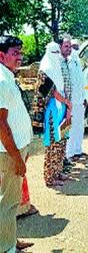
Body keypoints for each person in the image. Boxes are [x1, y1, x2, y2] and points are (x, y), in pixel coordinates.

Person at [0, 36, 34, 252]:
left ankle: (10, 239)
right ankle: (6, 247)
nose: (20, 57)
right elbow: (1, 125)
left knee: (11, 201)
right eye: (15, 53)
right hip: (10, 153)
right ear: (1, 55)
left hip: (17, 149)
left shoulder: (7, 76)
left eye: (21, 53)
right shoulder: (2, 81)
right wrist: (17, 158)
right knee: (8, 202)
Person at [37, 39, 72, 187]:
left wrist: (66, 105)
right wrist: (66, 102)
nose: (57, 55)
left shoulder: (56, 66)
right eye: (54, 52)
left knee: (61, 140)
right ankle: (50, 177)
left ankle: (58, 171)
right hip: (52, 109)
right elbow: (53, 92)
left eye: (57, 52)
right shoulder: (45, 68)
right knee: (53, 142)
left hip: (62, 107)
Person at [66, 39, 87, 162]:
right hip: (72, 100)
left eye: (76, 46)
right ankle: (70, 153)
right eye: (73, 46)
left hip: (79, 100)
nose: (75, 49)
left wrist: (84, 97)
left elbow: (81, 82)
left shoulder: (78, 61)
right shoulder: (67, 61)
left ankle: (78, 150)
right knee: (72, 128)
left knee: (80, 126)